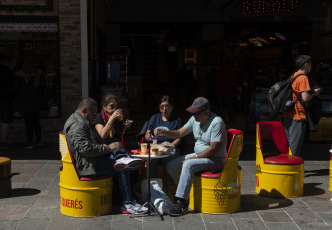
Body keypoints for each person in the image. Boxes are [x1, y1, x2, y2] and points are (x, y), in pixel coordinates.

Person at [63, 98, 146, 214]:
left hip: (92, 158)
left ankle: (122, 159)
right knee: (122, 166)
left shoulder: (81, 120)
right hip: (88, 164)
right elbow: (85, 149)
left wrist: (111, 144)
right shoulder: (77, 125)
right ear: (84, 110)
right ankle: (128, 203)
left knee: (116, 143)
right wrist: (108, 148)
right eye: (93, 112)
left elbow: (96, 140)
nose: (95, 115)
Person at [156, 97, 227, 216]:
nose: (194, 116)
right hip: (199, 156)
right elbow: (179, 133)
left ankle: (181, 203)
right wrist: (164, 132)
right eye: (193, 113)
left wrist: (194, 158)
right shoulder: (195, 119)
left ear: (207, 112)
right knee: (171, 166)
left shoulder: (216, 122)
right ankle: (185, 192)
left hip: (215, 159)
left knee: (188, 164)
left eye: (197, 113)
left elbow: (213, 149)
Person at [282, 55, 322, 156]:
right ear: (306, 65)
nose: (311, 67)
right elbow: (305, 98)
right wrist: (314, 93)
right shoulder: (303, 78)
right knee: (295, 146)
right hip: (297, 115)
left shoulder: (293, 76)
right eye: (311, 64)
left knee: (289, 143)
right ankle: (293, 168)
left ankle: (288, 166)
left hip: (288, 114)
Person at [144, 95, 182, 192]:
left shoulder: (177, 120)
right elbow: (147, 133)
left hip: (170, 147)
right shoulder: (155, 118)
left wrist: (169, 147)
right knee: (151, 159)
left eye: (167, 106)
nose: (164, 109)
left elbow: (179, 138)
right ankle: (151, 188)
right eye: (162, 106)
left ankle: (168, 188)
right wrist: (148, 136)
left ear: (172, 107)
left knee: (168, 158)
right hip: (156, 146)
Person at [14, 60, 47, 149]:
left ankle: (30, 142)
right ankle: (38, 140)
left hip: (25, 105)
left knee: (28, 124)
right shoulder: (38, 78)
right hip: (37, 105)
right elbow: (43, 93)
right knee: (36, 122)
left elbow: (14, 90)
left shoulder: (21, 78)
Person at [0, 54, 16, 149]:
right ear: (7, 62)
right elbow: (14, 87)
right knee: (5, 121)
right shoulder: (10, 73)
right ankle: (3, 142)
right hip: (7, 99)